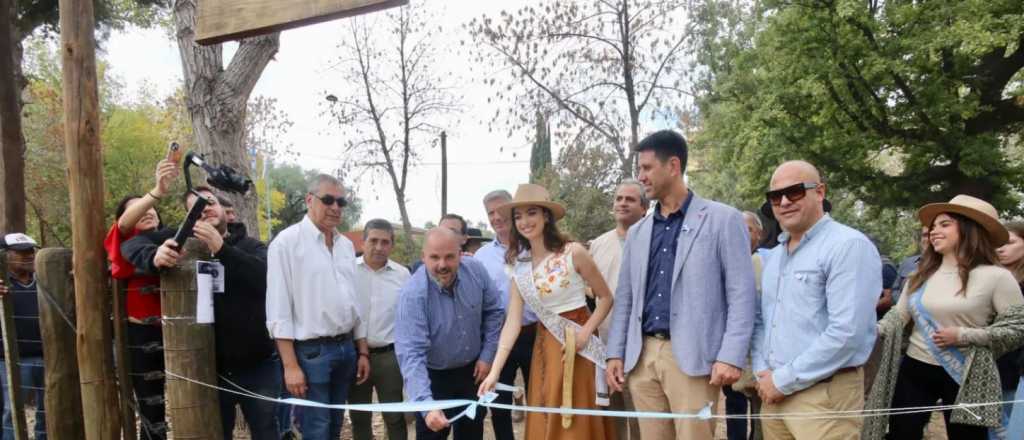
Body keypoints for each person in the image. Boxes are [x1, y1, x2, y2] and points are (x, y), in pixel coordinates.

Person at [605, 130, 757, 440]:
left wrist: (730, 356)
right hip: (642, 358)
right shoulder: (638, 231)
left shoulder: (723, 220)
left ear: (673, 166)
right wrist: (615, 354)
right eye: (639, 169)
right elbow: (626, 298)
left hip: (692, 358)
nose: (641, 176)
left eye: (647, 168)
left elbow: (741, 294)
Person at [122, 186, 280, 440]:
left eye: (209, 201)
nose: (204, 208)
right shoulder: (180, 239)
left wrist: (222, 250)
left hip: (257, 366)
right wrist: (154, 255)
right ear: (189, 220)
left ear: (225, 211)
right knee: (216, 434)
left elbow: (265, 278)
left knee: (267, 432)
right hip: (208, 370)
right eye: (195, 208)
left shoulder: (252, 246)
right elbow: (131, 244)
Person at [863, 195, 1024, 440]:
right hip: (914, 370)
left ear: (971, 229)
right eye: (933, 226)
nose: (933, 231)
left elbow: (1018, 327)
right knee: (900, 434)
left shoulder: (997, 277)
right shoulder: (921, 274)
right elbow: (898, 316)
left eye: (944, 224)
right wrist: (869, 330)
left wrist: (965, 335)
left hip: (966, 374)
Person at [751, 161, 881, 440]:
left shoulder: (848, 246)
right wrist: (763, 369)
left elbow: (847, 333)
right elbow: (763, 321)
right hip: (773, 394)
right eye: (775, 196)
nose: (784, 202)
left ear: (820, 192)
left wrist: (782, 380)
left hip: (824, 395)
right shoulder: (774, 257)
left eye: (795, 191)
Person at [478, 183, 616, 439]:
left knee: (577, 416)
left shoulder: (573, 253)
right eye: (518, 216)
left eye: (531, 213)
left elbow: (606, 298)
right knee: (547, 412)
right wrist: (495, 372)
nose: (524, 221)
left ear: (546, 216)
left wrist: (585, 333)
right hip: (546, 347)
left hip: (579, 345)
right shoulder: (518, 267)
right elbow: (512, 323)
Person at [265, 174, 370, 440]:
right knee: (316, 429)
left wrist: (362, 351)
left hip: (346, 348)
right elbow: (278, 310)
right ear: (309, 200)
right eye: (328, 200)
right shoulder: (286, 244)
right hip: (311, 354)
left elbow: (354, 302)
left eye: (341, 201)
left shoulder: (346, 246)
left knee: (334, 426)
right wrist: (290, 366)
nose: (336, 207)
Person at [395, 228, 504, 440]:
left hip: (473, 372)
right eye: (434, 257)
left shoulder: (476, 271)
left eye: (449, 257)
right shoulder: (412, 295)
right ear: (423, 257)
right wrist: (427, 406)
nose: (442, 265)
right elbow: (410, 354)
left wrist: (487, 355)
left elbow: (494, 311)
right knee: (432, 434)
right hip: (433, 378)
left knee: (472, 433)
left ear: (460, 254)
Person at [103, 158, 176, 439]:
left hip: (181, 330)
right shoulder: (122, 242)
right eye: (137, 208)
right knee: (151, 407)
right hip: (142, 333)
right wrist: (156, 190)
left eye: (149, 207)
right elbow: (123, 223)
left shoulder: (174, 238)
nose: (146, 210)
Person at [588, 179, 648, 440]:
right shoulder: (598, 245)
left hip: (644, 346)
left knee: (644, 418)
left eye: (630, 199)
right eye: (619, 198)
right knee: (612, 418)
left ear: (645, 208)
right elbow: (589, 289)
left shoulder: (653, 239)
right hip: (607, 343)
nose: (622, 203)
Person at [473, 189, 534, 439]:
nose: (496, 217)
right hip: (499, 339)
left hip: (536, 334)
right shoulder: (481, 257)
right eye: (490, 213)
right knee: (499, 404)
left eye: (501, 210)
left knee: (542, 401)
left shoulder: (535, 246)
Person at [348, 219, 411, 440]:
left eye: (385, 242)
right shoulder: (347, 270)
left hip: (390, 357)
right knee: (359, 418)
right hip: (355, 355)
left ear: (391, 245)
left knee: (394, 418)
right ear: (363, 241)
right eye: (373, 240)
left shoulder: (403, 275)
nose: (378, 247)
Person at [0, 233, 46, 440]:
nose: (28, 256)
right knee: (12, 411)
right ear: (5, 256)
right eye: (21, 252)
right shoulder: (1, 284)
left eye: (30, 251)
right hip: (11, 360)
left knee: (48, 409)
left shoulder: (45, 279)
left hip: (48, 356)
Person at [995, 221, 1024, 440]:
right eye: (997, 243)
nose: (1000, 248)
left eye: (1010, 242)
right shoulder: (989, 277)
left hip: (1015, 372)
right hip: (988, 368)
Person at [892, 227, 929, 305]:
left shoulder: (948, 265)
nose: (928, 239)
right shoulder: (907, 263)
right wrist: (905, 305)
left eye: (931, 235)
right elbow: (895, 289)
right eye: (925, 235)